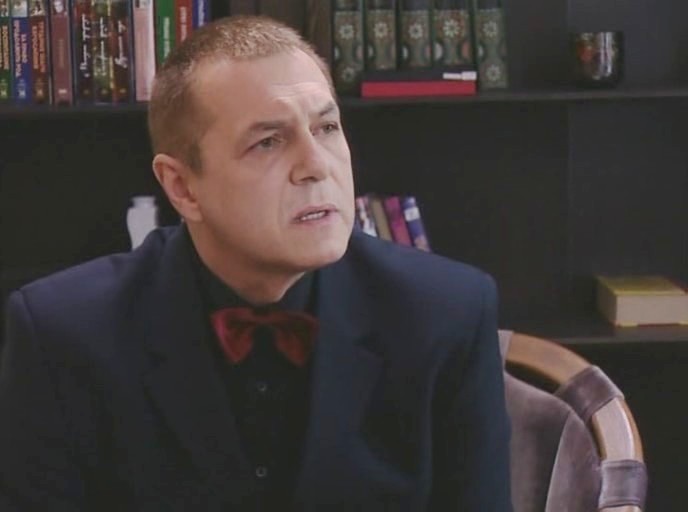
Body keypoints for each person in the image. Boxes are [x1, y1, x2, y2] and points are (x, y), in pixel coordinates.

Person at [0, 15, 512, 511]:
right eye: (268, 142)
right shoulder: (62, 335)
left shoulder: (447, 313)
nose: (316, 165)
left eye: (327, 127)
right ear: (182, 187)